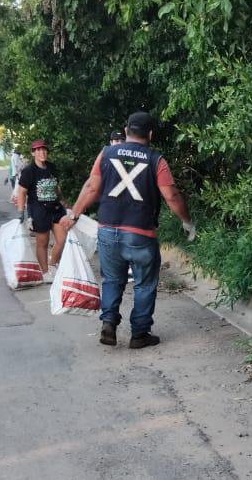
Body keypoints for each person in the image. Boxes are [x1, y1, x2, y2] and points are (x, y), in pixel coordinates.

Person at [63, 111, 195, 349]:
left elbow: (92, 187)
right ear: (151, 135)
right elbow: (171, 196)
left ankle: (109, 322)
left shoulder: (106, 153)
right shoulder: (156, 160)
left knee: (112, 279)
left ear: (126, 131)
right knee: (144, 283)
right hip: (140, 234)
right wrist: (187, 220)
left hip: (107, 230)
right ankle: (140, 333)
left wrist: (74, 214)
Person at [15, 140, 67, 276]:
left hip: (55, 208)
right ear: (33, 153)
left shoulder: (52, 167)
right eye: (38, 150)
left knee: (62, 240)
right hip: (39, 209)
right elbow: (21, 191)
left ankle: (52, 264)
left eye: (44, 150)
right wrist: (21, 212)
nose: (42, 153)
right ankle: (44, 272)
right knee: (42, 243)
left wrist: (63, 202)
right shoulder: (28, 171)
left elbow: (56, 187)